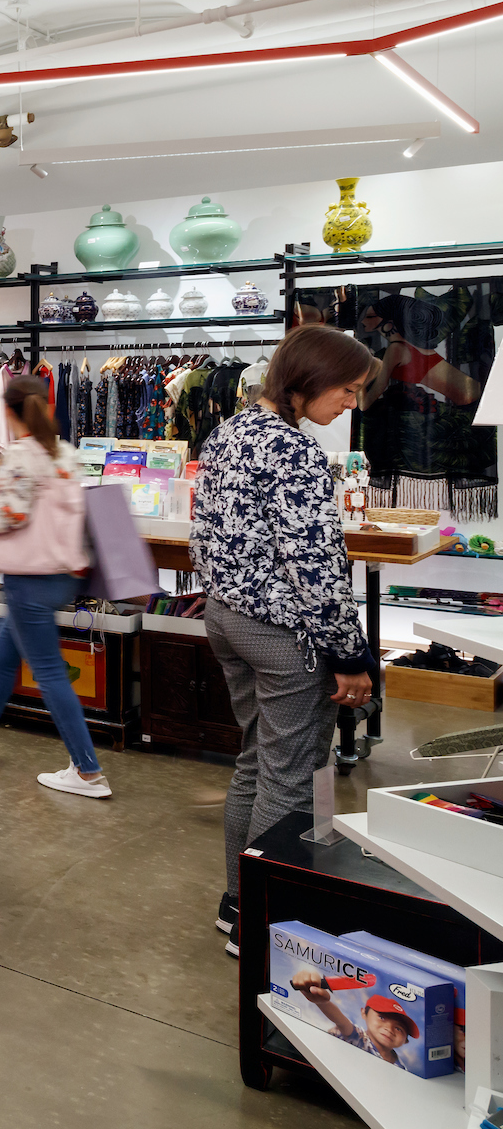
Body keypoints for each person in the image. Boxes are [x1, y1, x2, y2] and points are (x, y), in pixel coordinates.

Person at [193, 323, 378, 954]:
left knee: (255, 761)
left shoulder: (229, 431)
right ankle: (265, 923)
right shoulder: (293, 452)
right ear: (309, 381)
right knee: (291, 773)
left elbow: (208, 533)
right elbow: (318, 566)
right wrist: (351, 655)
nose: (350, 404)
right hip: (281, 631)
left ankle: (238, 900)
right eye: (347, 390)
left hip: (227, 617)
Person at [0, 374, 108, 798]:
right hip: (62, 575)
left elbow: (10, 517)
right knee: (2, 651)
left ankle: (87, 769)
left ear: (9, 411)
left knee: (49, 671)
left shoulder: (22, 455)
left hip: (28, 577)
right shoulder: (66, 454)